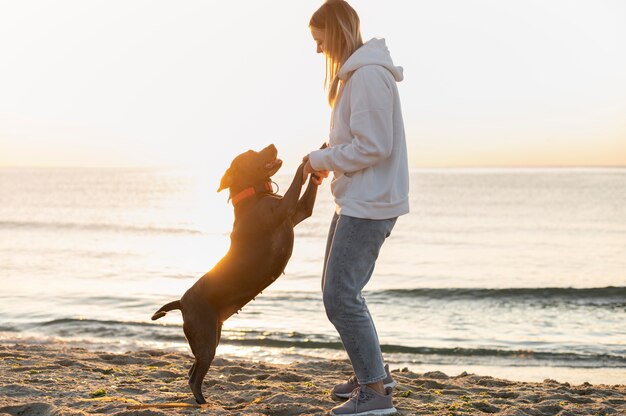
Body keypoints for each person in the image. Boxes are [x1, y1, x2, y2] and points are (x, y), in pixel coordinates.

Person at [302, 1, 410, 415]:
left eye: (319, 40)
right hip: (358, 199)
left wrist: (321, 160)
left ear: (336, 31)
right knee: (340, 294)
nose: (317, 51)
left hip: (370, 204)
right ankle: (373, 373)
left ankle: (376, 396)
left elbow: (374, 146)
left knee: (341, 297)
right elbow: (360, 139)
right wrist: (327, 157)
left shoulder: (366, 76)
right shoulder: (359, 76)